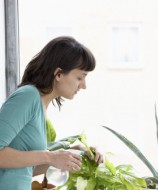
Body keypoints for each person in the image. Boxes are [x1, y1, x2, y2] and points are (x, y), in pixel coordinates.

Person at [0, 36, 103, 189]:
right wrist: (50, 156)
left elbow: (22, 168)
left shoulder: (40, 104)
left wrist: (70, 155)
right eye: (80, 77)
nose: (84, 85)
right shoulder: (28, 96)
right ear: (59, 74)